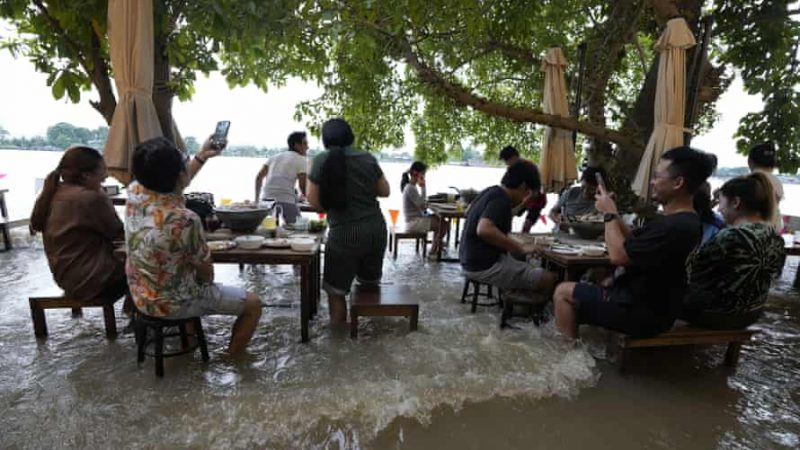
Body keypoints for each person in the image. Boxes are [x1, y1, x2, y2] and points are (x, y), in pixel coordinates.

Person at [553, 146, 715, 339]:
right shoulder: (683, 220)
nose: (652, 182)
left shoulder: (676, 225)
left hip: (642, 312)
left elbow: (618, 256)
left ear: (678, 182)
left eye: (657, 177)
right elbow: (633, 242)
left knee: (563, 292)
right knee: (596, 280)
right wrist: (614, 214)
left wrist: (608, 214)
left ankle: (566, 359)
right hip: (654, 306)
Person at [126, 137, 262, 354]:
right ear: (180, 175)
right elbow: (206, 273)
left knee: (183, 276)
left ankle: (189, 344)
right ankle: (234, 361)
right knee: (253, 304)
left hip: (140, 296)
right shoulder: (184, 219)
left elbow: (175, 181)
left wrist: (201, 156)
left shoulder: (134, 192)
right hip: (173, 304)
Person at [306, 118, 390, 323]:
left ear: (325, 139)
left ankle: (339, 344)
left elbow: (314, 203)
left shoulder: (320, 160)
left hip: (344, 234)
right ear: (350, 137)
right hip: (375, 230)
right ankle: (370, 339)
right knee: (369, 286)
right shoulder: (367, 158)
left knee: (336, 292)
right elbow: (385, 191)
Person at [684, 173, 786, 329]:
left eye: (721, 202)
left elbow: (691, 273)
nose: (719, 208)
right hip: (752, 314)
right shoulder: (776, 238)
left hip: (715, 315)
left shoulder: (732, 236)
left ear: (736, 202)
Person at [30, 146, 129, 305]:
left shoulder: (53, 192)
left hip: (66, 278)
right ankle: (144, 321)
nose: (106, 177)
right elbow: (118, 233)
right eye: (102, 173)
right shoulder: (89, 198)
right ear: (86, 175)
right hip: (93, 282)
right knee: (149, 263)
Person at [458, 160, 557, 294]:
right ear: (522, 186)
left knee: (523, 260)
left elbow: (469, 212)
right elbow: (484, 230)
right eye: (526, 193)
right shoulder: (501, 199)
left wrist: (524, 203)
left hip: (468, 259)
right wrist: (520, 247)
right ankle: (533, 314)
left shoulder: (491, 191)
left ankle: (518, 307)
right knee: (549, 278)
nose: (524, 198)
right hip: (483, 265)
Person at [254, 131, 309, 223]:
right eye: (305, 143)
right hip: (286, 201)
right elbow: (303, 186)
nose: (307, 147)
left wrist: (256, 200)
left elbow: (259, 177)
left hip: (266, 201)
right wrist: (313, 200)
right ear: (296, 145)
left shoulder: (274, 157)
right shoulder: (301, 160)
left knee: (269, 231)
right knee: (298, 230)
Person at [400, 161, 446, 257]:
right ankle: (433, 252)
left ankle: (436, 247)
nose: (424, 176)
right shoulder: (410, 188)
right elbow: (421, 205)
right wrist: (423, 187)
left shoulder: (411, 187)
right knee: (443, 225)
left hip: (415, 220)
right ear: (416, 173)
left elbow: (421, 204)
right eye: (423, 174)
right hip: (413, 223)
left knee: (440, 221)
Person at [499, 145, 547, 233]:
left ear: (514, 157)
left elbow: (535, 192)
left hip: (535, 199)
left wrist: (518, 207)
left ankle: (524, 237)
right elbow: (504, 185)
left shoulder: (530, 168)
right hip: (519, 196)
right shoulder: (510, 168)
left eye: (507, 160)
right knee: (506, 215)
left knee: (527, 224)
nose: (506, 163)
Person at [748, 142, 784, 231]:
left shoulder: (749, 181)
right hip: (773, 230)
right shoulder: (777, 182)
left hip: (752, 233)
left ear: (750, 161)